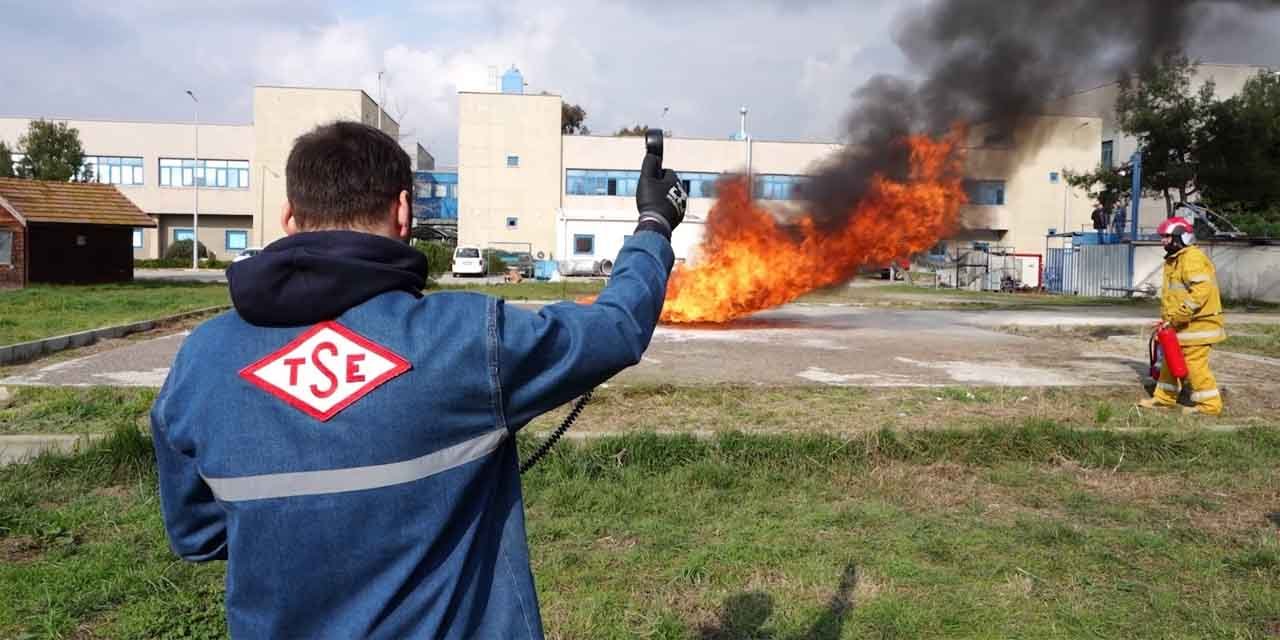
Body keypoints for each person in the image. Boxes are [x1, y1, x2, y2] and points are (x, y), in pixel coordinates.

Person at [149, 121, 687, 639]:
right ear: (403, 211)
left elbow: (197, 535)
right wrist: (653, 225)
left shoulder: (201, 360)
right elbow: (615, 328)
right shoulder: (466, 340)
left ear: (289, 215)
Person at [1138, 216, 1225, 415]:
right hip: (1182, 325)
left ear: (1182, 237)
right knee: (1169, 361)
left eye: (1167, 237)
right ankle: (1163, 399)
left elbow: (1201, 291)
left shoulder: (1192, 258)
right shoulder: (1177, 259)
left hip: (1199, 326)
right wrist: (1168, 320)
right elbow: (1177, 295)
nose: (1163, 241)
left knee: (1194, 365)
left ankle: (1210, 406)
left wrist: (1179, 316)